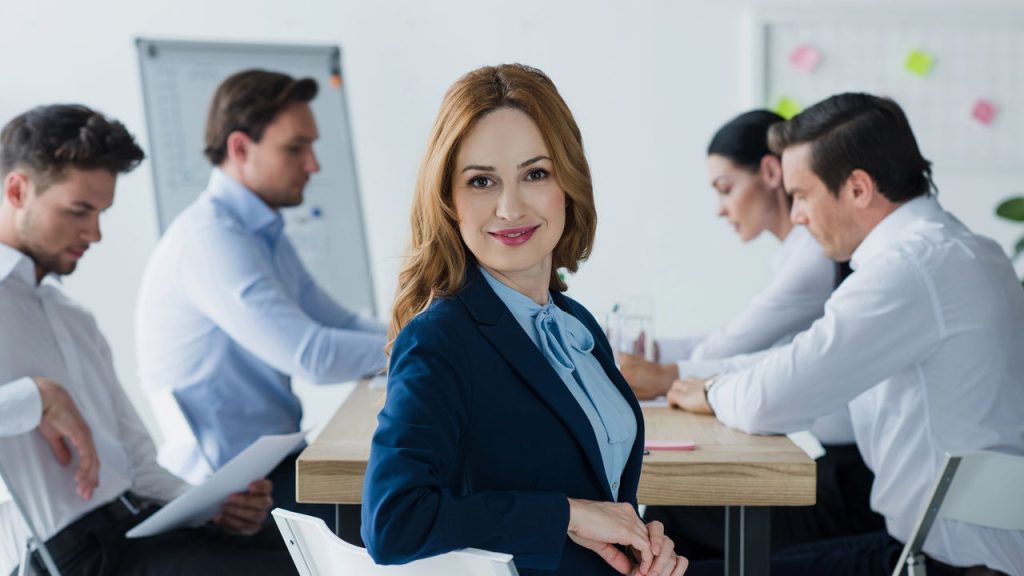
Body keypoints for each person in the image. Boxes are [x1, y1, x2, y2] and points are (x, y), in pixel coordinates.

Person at [668, 93, 1024, 575]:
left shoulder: (908, 269)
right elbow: (804, 359)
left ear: (858, 188)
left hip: (942, 562)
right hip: (956, 548)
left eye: (802, 195)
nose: (794, 215)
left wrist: (711, 390)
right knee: (683, 535)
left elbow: (768, 400)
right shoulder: (968, 251)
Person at [360, 64, 688, 576]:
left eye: (536, 174)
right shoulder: (440, 338)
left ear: (568, 183)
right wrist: (567, 514)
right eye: (482, 181)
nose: (510, 207)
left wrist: (638, 540)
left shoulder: (574, 323)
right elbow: (393, 522)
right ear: (449, 200)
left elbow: (598, 491)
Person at [0, 104, 293, 575]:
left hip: (141, 526)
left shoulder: (72, 318)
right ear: (17, 190)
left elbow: (137, 464)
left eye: (101, 212)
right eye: (79, 211)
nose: (94, 232)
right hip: (78, 560)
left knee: (310, 547)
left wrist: (217, 507)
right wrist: (35, 397)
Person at [620, 110, 883, 560]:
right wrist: (662, 362)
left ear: (770, 172)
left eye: (725, 189)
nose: (721, 208)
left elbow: (731, 348)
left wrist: (666, 376)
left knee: (671, 517)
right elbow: (739, 345)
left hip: (853, 484)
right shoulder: (800, 258)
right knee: (670, 516)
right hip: (841, 470)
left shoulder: (818, 260)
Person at [135, 69, 387, 537]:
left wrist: (421, 331)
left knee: (392, 501)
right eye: (296, 148)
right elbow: (312, 356)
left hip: (270, 470)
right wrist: (428, 342)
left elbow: (340, 320)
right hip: (227, 497)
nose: (313, 164)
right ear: (239, 148)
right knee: (383, 518)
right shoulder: (211, 239)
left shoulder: (260, 231)